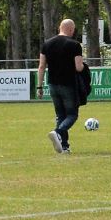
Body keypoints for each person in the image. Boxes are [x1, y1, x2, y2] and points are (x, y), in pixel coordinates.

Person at [38, 19, 86, 153]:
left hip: (52, 84)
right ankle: (58, 132)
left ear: (60, 27)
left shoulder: (47, 44)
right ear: (71, 29)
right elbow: (78, 67)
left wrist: (39, 86)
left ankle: (64, 146)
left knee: (60, 115)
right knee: (72, 114)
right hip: (68, 84)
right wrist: (84, 67)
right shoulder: (75, 45)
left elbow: (41, 66)